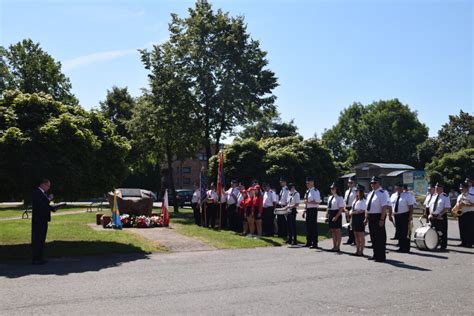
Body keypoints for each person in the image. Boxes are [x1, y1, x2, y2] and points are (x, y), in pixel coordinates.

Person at [364, 176, 389, 262]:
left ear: (379, 183)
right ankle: (375, 254)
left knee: (380, 237)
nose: (372, 185)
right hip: (371, 216)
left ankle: (381, 256)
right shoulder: (371, 193)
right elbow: (367, 207)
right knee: (373, 237)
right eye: (371, 183)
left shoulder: (382, 193)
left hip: (378, 216)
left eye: (374, 183)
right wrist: (366, 218)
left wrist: (382, 219)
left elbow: (384, 207)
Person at [31, 178, 56, 265]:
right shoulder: (36, 192)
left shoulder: (43, 193)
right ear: (43, 184)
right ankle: (36, 259)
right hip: (38, 220)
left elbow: (45, 205)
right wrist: (49, 198)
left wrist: (54, 208)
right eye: (48, 185)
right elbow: (40, 204)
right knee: (37, 240)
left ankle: (40, 258)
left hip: (43, 219)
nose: (48, 188)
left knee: (42, 239)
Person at [388, 182, 415, 253]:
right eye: (397, 187)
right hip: (396, 215)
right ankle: (401, 246)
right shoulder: (393, 195)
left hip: (405, 215)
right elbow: (391, 206)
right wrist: (390, 214)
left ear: (403, 188)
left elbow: (411, 207)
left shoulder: (408, 195)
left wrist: (410, 216)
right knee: (399, 231)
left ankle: (406, 248)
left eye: (400, 187)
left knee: (405, 232)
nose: (399, 189)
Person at [428, 182, 451, 250]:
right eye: (435, 188)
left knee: (442, 232)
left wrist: (440, 214)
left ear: (441, 189)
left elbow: (447, 207)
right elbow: (430, 206)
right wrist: (430, 214)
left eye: (437, 188)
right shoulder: (433, 196)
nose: (436, 189)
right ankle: (434, 244)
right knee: (434, 231)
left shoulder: (445, 196)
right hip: (433, 216)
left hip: (441, 216)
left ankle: (443, 246)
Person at [325, 183, 345, 252]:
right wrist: (326, 215)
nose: (331, 190)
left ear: (336, 189)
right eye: (331, 188)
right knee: (333, 231)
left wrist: (336, 216)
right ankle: (334, 246)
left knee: (337, 231)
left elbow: (341, 208)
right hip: (331, 213)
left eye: (333, 188)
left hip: (337, 214)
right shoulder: (330, 197)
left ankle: (338, 247)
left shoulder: (339, 197)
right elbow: (328, 207)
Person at [303, 177, 321, 249]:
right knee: (308, 226)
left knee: (313, 227)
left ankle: (315, 243)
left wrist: (309, 202)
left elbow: (318, 201)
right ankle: (309, 241)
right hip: (308, 209)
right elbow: (305, 200)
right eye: (306, 183)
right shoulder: (308, 191)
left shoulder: (315, 191)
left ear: (312, 182)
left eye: (309, 183)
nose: (307, 184)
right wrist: (304, 210)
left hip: (313, 210)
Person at [455, 182, 474, 248]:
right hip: (461, 213)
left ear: (467, 188)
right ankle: (463, 241)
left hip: (469, 213)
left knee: (469, 229)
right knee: (462, 228)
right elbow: (457, 204)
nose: (461, 190)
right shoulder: (460, 196)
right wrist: (455, 208)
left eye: (462, 188)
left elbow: (473, 204)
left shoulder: (471, 196)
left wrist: (465, 204)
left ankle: (469, 243)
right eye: (460, 189)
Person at [350, 184, 367, 256]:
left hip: (360, 218)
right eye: (356, 191)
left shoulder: (363, 200)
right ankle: (357, 250)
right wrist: (351, 212)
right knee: (356, 235)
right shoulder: (355, 200)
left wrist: (353, 212)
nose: (356, 192)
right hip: (354, 218)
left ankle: (361, 251)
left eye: (357, 190)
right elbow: (352, 208)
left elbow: (362, 210)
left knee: (361, 235)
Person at [343, 176, 357, 245]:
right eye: (348, 182)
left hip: (353, 208)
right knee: (348, 225)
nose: (349, 184)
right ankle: (350, 239)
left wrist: (352, 210)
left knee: (353, 225)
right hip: (347, 208)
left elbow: (357, 201)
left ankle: (355, 240)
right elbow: (345, 201)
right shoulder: (346, 191)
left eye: (351, 183)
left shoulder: (356, 191)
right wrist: (345, 209)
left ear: (354, 183)